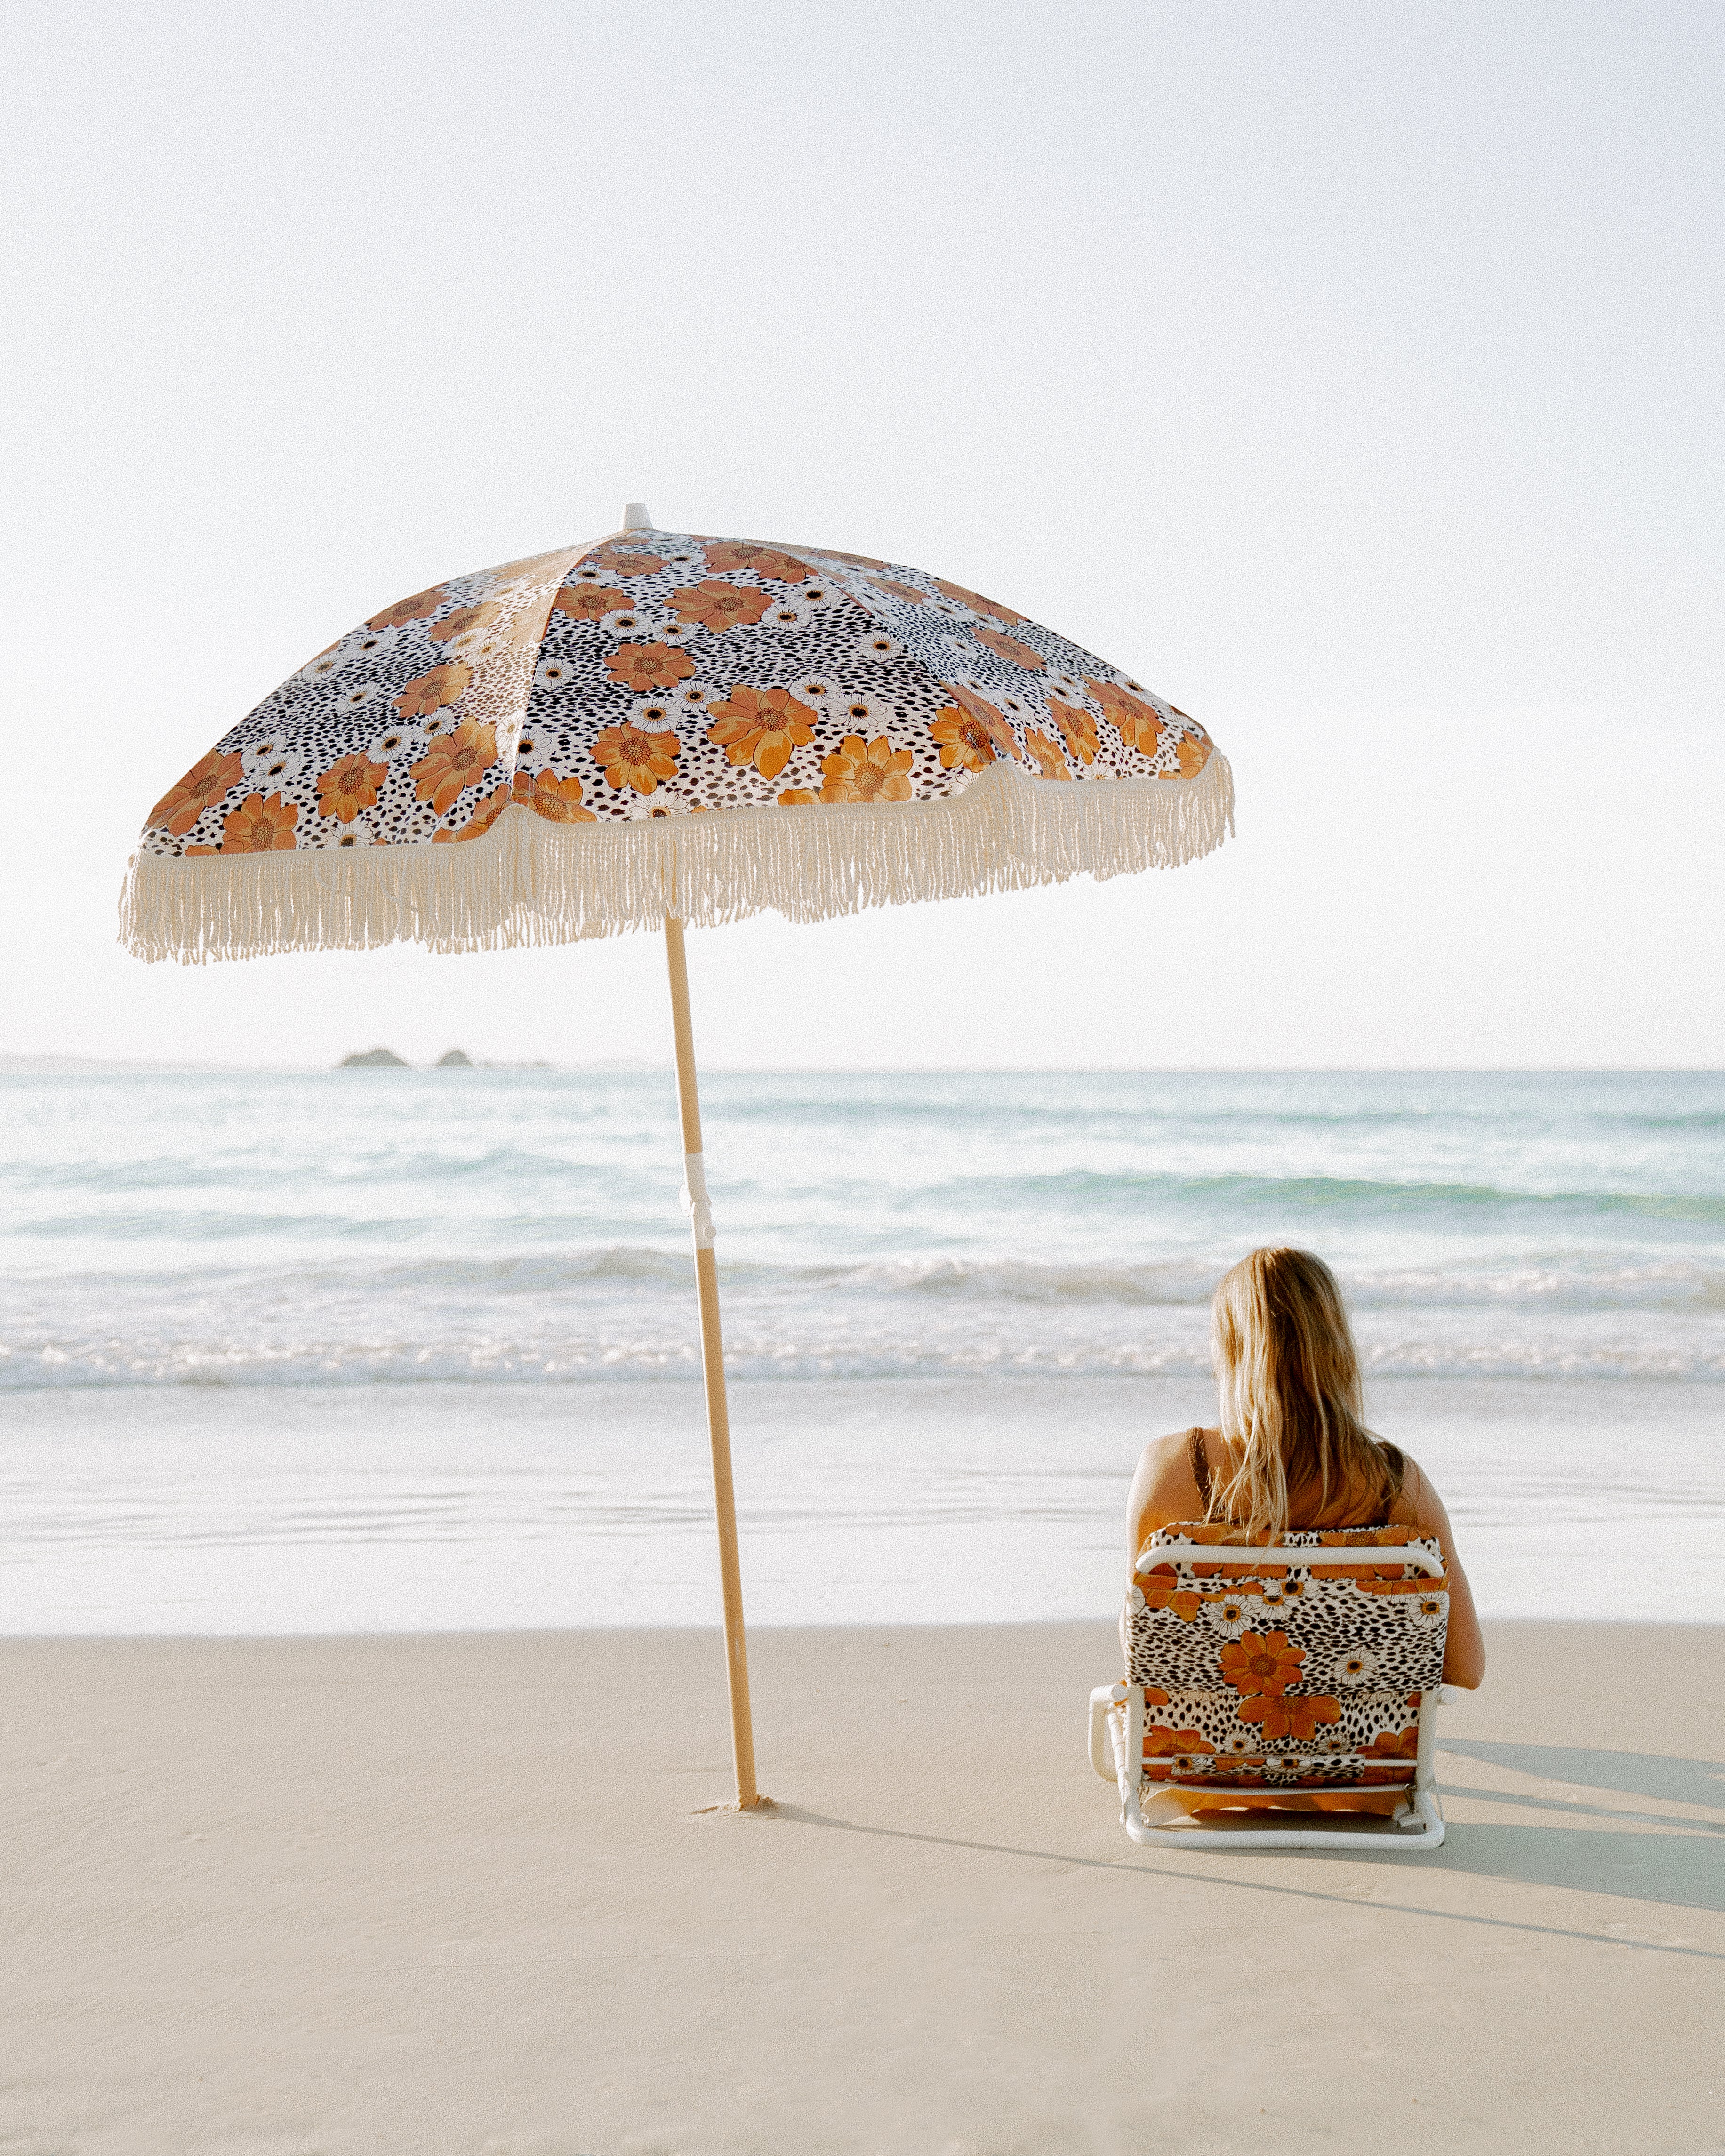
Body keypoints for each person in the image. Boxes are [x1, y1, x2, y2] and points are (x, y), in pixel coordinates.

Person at [1125, 1246, 1485, 1687]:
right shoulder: (1395, 1483)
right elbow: (1465, 1669)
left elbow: (1142, 1654)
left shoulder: (1176, 1468)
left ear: (1231, 1346)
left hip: (1198, 1753)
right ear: (1335, 1342)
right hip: (1359, 1753)